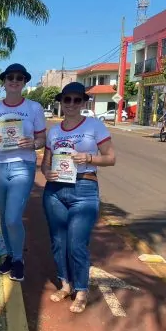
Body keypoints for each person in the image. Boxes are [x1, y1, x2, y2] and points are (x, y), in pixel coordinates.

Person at [41, 82, 116, 313]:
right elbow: (45, 162)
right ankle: (65, 284)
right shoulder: (53, 131)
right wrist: (46, 172)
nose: (71, 104)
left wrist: (89, 159)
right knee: (58, 242)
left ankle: (81, 290)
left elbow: (111, 157)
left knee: (77, 244)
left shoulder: (95, 126)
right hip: (55, 190)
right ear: (61, 102)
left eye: (76, 100)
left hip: (84, 189)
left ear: (83, 102)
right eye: (67, 100)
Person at [0, 63, 46, 281]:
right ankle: (10, 256)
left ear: (24, 82)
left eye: (19, 77)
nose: (14, 80)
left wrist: (33, 143)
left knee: (12, 217)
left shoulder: (34, 108)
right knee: (3, 215)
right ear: (4, 81)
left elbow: (41, 139)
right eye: (10, 77)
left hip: (22, 164)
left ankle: (19, 259)